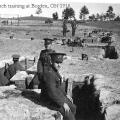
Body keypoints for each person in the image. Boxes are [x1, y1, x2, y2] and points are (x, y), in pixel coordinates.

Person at [40, 52, 76, 120]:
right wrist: (62, 103)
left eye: (60, 63)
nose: (59, 65)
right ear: (51, 62)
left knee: (73, 107)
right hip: (50, 100)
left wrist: (65, 95)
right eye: (57, 63)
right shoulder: (49, 74)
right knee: (69, 115)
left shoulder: (55, 70)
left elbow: (58, 86)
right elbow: (51, 92)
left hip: (56, 96)